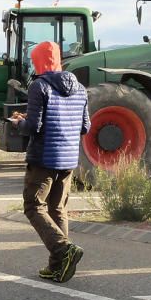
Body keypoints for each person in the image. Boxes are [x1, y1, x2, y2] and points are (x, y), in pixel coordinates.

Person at [12, 41, 90, 282]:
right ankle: (58, 267)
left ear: (38, 62)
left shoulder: (39, 86)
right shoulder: (80, 88)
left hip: (44, 157)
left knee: (33, 206)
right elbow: (85, 126)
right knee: (57, 209)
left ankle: (63, 249)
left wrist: (19, 123)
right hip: (68, 158)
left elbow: (33, 127)